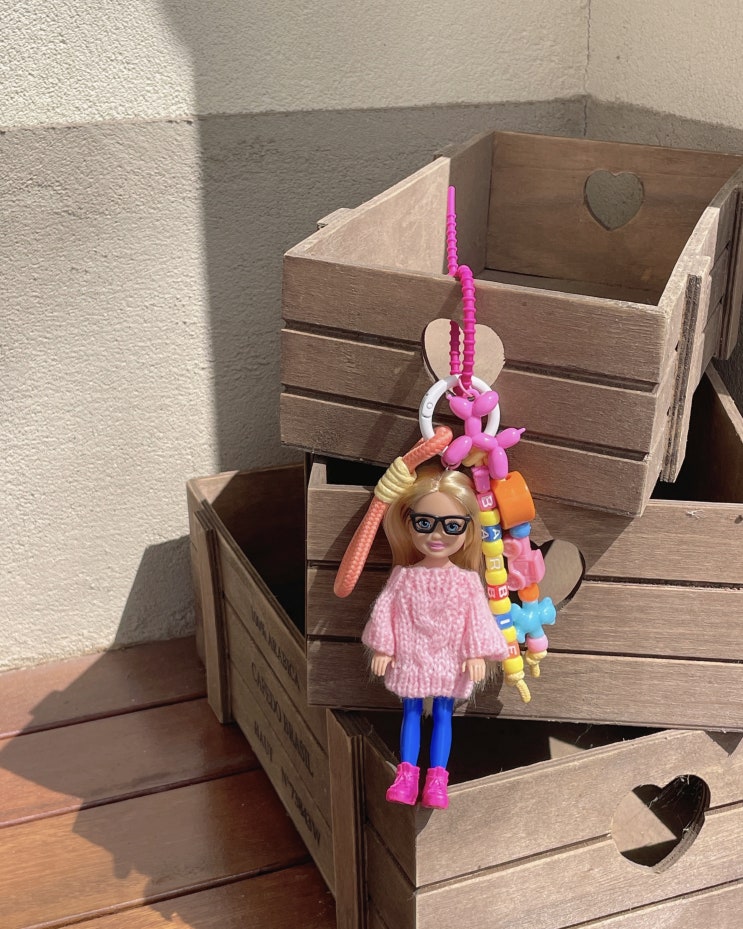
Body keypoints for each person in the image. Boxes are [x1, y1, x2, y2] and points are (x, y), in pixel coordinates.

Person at [362, 464, 508, 809]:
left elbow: (477, 618)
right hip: (412, 654)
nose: (436, 535)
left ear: (468, 531)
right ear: (408, 523)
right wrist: (384, 647)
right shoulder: (403, 576)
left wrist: (476, 653)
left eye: (452, 526)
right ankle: (406, 776)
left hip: (450, 658)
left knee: (444, 713)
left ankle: (437, 779)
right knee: (411, 711)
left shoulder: (466, 581)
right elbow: (386, 609)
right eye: (424, 523)